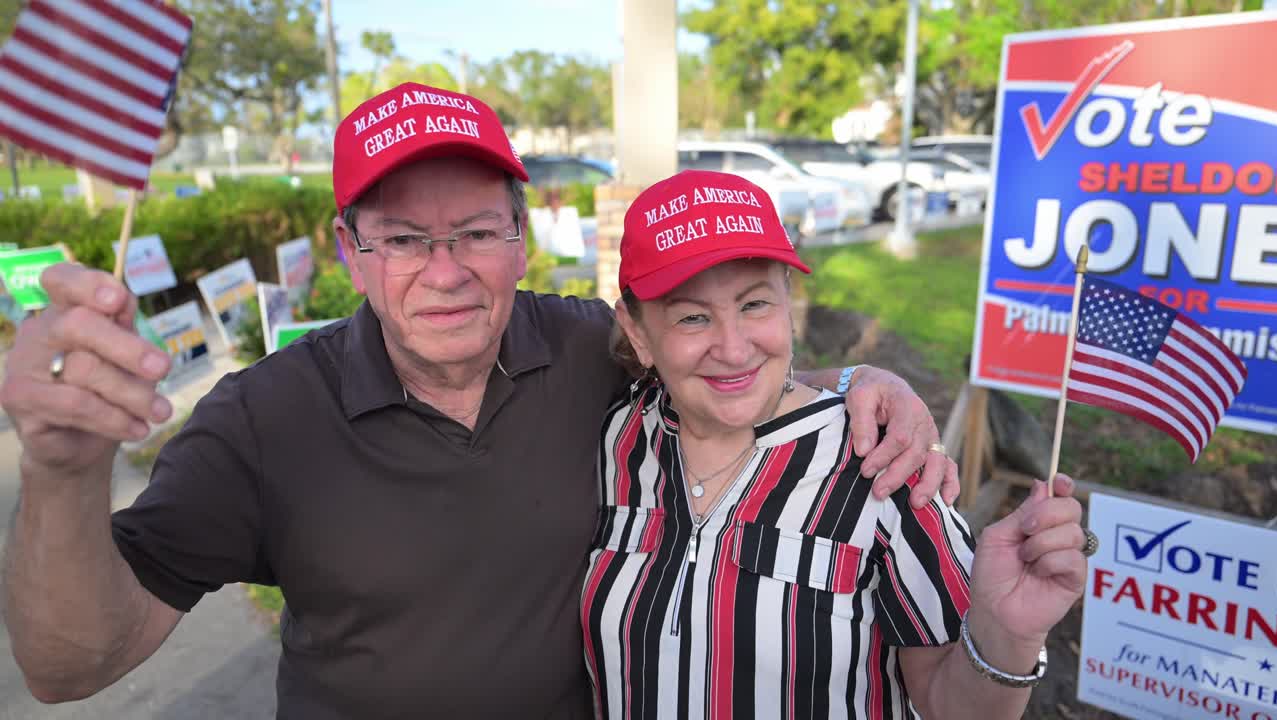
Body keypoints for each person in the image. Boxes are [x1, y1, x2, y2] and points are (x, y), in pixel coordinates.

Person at [1, 84, 956, 718]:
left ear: (523, 234)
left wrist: (865, 386)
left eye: (475, 232)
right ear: (348, 251)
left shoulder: (588, 344)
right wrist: (61, 471)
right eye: (405, 240)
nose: (447, 273)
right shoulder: (263, 418)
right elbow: (70, 663)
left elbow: (718, 361)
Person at [582, 169, 1094, 718]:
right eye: (691, 317)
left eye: (755, 305)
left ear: (788, 303)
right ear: (638, 333)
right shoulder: (622, 437)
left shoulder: (883, 464)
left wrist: (1008, 635)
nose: (732, 349)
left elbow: (955, 707)